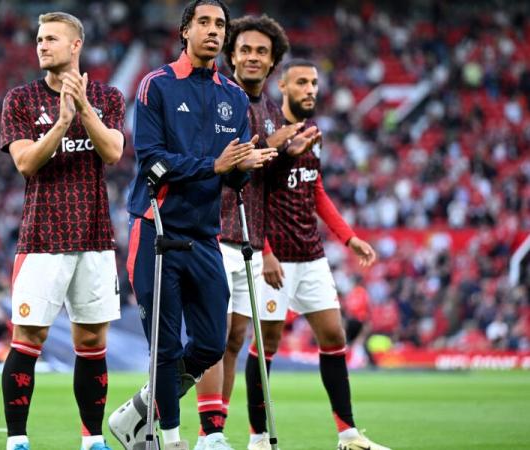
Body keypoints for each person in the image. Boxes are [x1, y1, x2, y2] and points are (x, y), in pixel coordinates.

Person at [108, 2, 276, 449]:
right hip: (157, 230)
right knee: (163, 347)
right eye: (204, 22)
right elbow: (151, 162)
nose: (214, 31)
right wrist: (215, 164)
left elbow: (232, 174)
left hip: (205, 236)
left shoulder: (234, 97)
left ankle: (145, 405)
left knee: (210, 343)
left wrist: (247, 166)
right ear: (186, 31)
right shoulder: (156, 86)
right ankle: (172, 438)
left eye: (220, 24)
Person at [0, 11, 125, 450]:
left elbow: (112, 152)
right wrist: (61, 122)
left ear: (76, 46)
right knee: (28, 336)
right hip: (41, 238)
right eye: (39, 38)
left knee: (92, 340)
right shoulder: (20, 98)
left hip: (94, 236)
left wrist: (83, 108)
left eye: (51, 38)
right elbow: (25, 163)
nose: (42, 45)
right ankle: (17, 440)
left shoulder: (107, 96)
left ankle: (92, 441)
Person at [190, 14, 316, 450]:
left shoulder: (265, 108)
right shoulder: (218, 97)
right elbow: (222, 161)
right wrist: (274, 146)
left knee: (235, 339)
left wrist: (285, 154)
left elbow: (262, 180)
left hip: (249, 238)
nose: (251, 57)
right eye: (244, 49)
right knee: (211, 336)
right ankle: (202, 431)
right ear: (232, 55)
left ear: (273, 61)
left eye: (261, 51)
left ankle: (216, 431)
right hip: (213, 231)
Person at [259, 58, 391, 450]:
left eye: (314, 83)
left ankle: (348, 436)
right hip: (275, 257)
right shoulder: (268, 133)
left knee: (334, 335)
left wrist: (348, 238)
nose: (310, 90)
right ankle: (258, 438)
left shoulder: (313, 134)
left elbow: (314, 190)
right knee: (265, 343)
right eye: (301, 82)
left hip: (311, 254)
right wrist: (263, 251)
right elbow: (253, 196)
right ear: (282, 86)